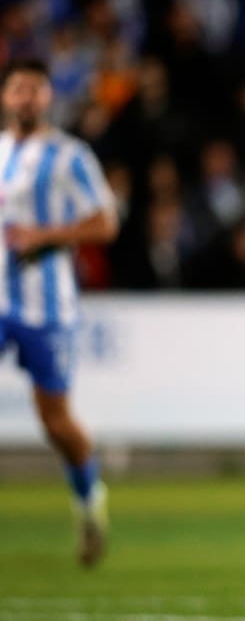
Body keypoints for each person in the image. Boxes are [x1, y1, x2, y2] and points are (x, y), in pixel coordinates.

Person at [0, 58, 118, 567]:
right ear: (6, 97)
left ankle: (90, 500)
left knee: (55, 420)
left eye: (35, 89)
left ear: (47, 97)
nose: (26, 97)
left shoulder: (69, 156)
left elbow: (105, 223)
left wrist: (45, 238)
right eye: (18, 88)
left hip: (45, 307)